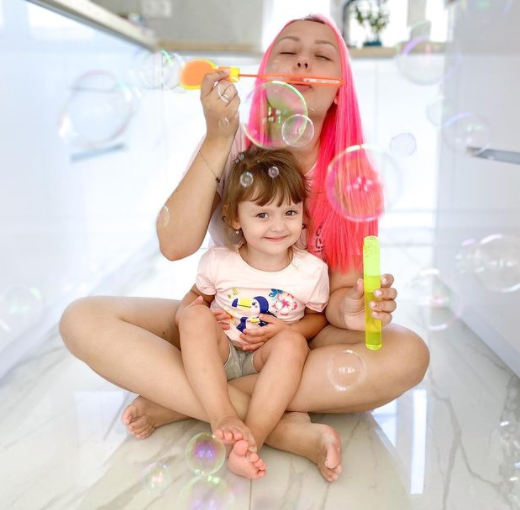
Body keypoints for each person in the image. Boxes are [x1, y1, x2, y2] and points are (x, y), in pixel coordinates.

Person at [60, 14, 430, 484]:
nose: (303, 61)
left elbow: (334, 300)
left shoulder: (352, 175)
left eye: (322, 56)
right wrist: (218, 138)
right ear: (265, 75)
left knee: (408, 353)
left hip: (303, 332)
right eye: (288, 51)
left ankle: (188, 399)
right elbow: (174, 245)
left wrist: (352, 310)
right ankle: (277, 426)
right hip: (224, 322)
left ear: (339, 89)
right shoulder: (232, 142)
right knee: (82, 319)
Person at [177, 146, 329, 479]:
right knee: (192, 316)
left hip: (266, 363)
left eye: (290, 212)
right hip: (222, 354)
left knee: (293, 344)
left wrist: (290, 331)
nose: (278, 226)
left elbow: (318, 317)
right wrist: (196, 316)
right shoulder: (219, 262)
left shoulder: (310, 272)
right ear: (234, 218)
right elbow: (194, 298)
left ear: (303, 214)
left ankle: (253, 439)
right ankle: (223, 415)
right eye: (262, 215)